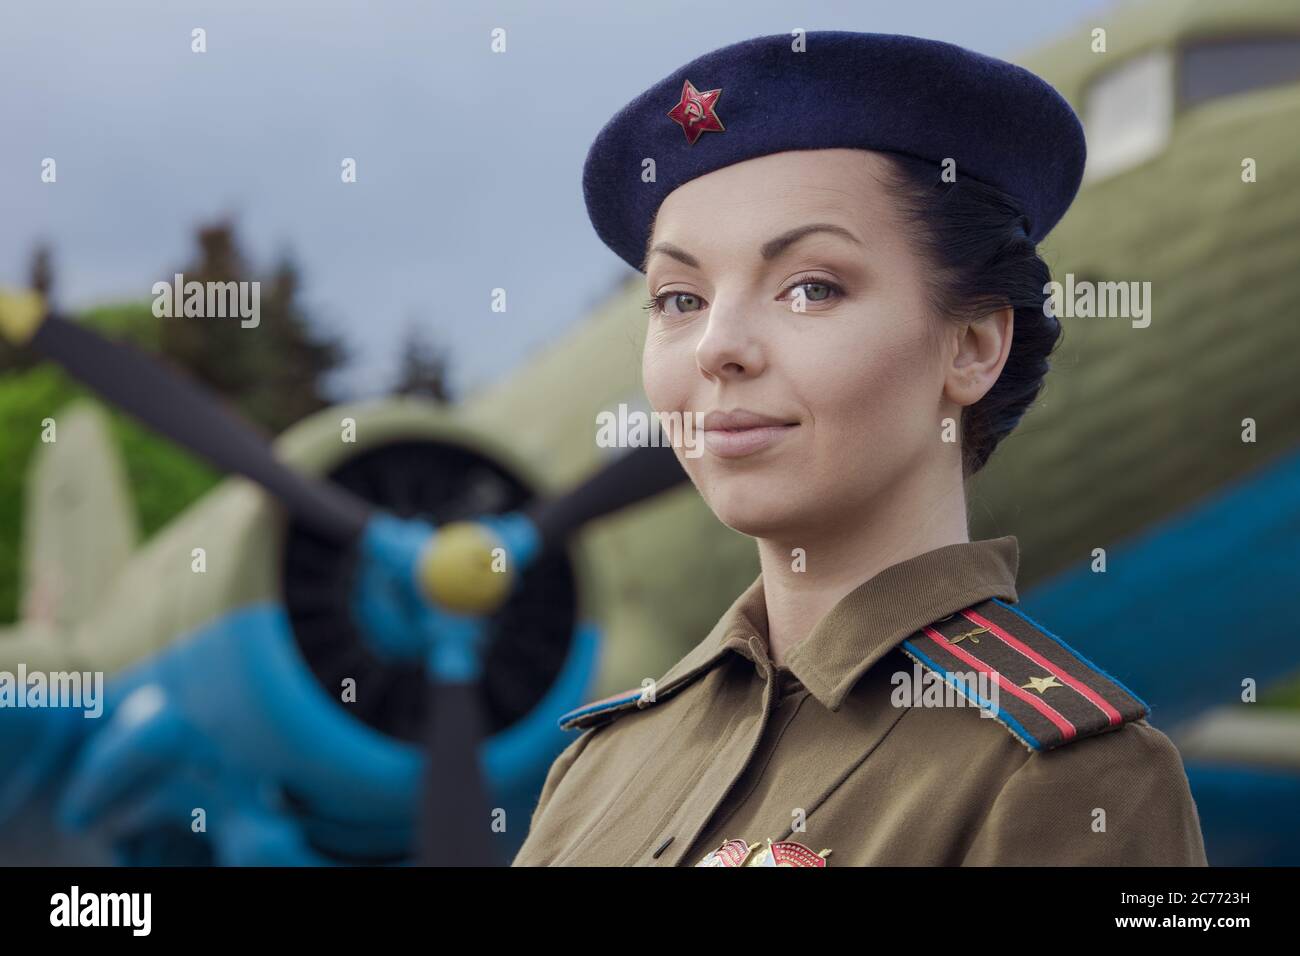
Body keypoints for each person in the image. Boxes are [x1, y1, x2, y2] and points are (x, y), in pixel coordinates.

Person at [512, 30, 1207, 866]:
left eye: (812, 287)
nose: (716, 348)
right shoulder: (592, 771)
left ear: (974, 347)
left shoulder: (1072, 779)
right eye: (678, 298)